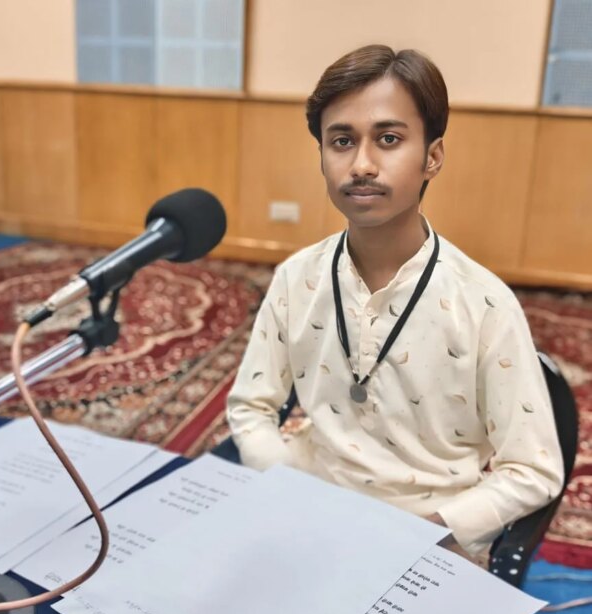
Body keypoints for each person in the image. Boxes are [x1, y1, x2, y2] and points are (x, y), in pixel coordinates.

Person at [226, 45, 564, 562]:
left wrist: (431, 533)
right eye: (342, 141)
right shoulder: (297, 279)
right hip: (306, 513)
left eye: (388, 139)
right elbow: (251, 406)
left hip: (430, 540)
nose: (361, 164)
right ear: (322, 156)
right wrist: (287, 490)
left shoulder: (485, 304)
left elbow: (534, 469)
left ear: (433, 156)